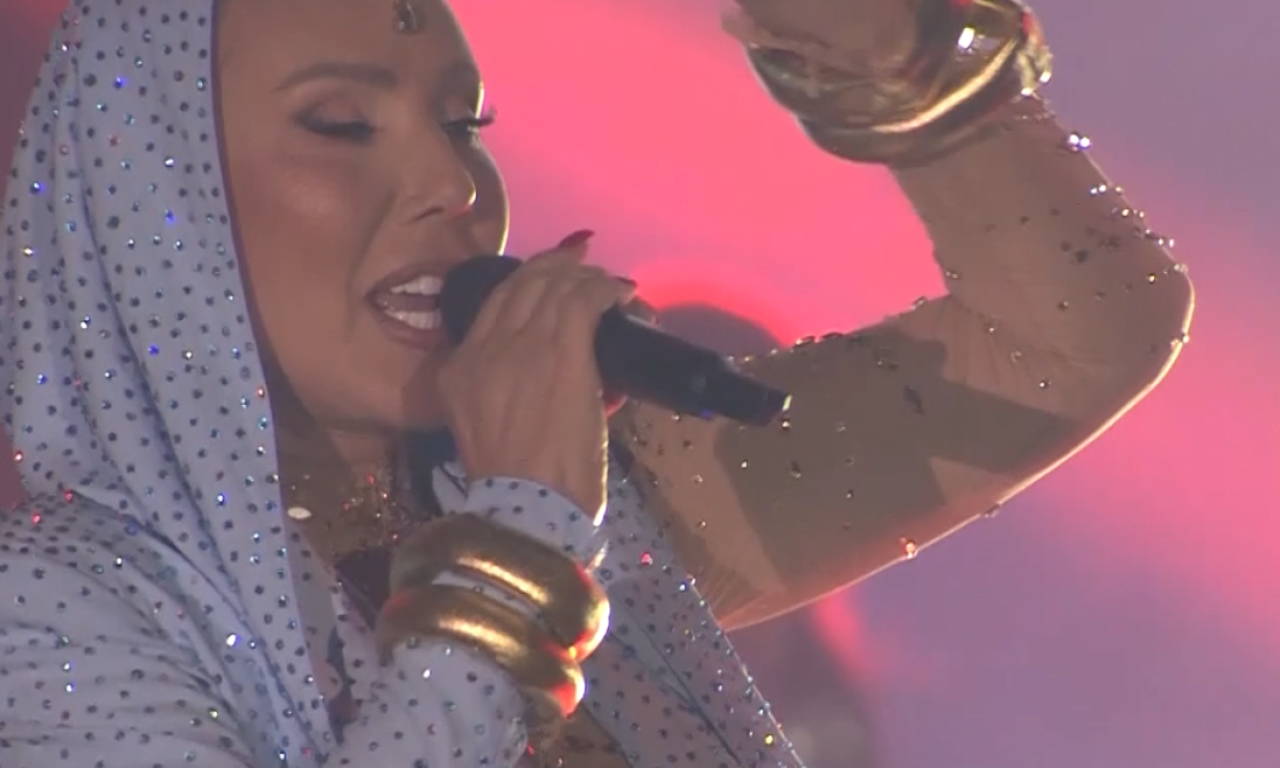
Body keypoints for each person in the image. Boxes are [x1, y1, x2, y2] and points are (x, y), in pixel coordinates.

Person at [0, 0, 1193, 766]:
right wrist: (520, 530)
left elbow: (1070, 339)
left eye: (463, 123)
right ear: (139, 200)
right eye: (341, 125)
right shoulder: (52, 612)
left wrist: (907, 71)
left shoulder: (608, 510)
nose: (452, 186)